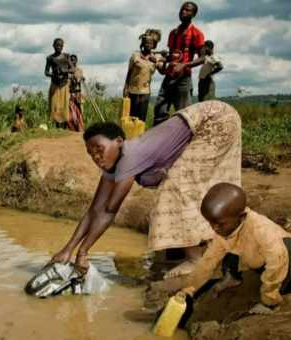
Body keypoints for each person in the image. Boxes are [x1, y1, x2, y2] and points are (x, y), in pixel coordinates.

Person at [48, 100, 241, 278]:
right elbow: (95, 210)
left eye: (99, 149)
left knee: (174, 188)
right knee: (192, 185)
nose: (97, 157)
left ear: (119, 142)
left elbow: (109, 210)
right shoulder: (113, 164)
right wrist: (68, 249)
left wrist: (83, 251)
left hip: (215, 120)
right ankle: (203, 248)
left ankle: (195, 259)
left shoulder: (129, 156)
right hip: (208, 119)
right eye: (91, 154)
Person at [179, 183, 291, 315]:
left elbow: (277, 265)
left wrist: (268, 299)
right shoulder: (227, 227)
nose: (214, 228)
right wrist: (188, 289)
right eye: (211, 223)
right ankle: (233, 277)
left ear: (241, 217)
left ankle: (277, 298)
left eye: (220, 224)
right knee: (225, 244)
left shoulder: (263, 232)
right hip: (259, 258)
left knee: (289, 250)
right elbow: (208, 261)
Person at [153, 1, 206, 126]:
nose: (183, 12)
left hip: (183, 79)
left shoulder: (196, 33)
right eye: (182, 9)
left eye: (188, 10)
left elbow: (203, 58)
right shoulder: (173, 33)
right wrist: (161, 63)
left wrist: (184, 65)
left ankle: (186, 143)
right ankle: (158, 142)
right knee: (160, 111)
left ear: (194, 14)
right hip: (169, 77)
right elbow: (172, 56)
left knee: (184, 115)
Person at [123, 29, 165, 122]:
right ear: (142, 44)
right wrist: (125, 87)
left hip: (145, 92)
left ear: (153, 45)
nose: (148, 45)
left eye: (150, 43)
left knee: (141, 119)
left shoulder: (155, 58)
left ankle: (141, 135)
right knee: (130, 118)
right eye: (146, 43)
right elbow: (129, 72)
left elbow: (163, 71)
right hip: (132, 91)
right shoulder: (135, 56)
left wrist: (165, 59)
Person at [45, 38, 73, 129]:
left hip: (64, 84)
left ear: (63, 46)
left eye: (61, 45)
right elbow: (46, 72)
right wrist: (53, 75)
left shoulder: (66, 56)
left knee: (64, 105)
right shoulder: (50, 58)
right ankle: (57, 127)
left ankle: (64, 127)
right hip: (55, 84)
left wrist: (65, 70)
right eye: (57, 45)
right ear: (53, 46)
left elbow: (72, 69)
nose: (59, 47)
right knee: (55, 105)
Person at [68, 54, 85, 132]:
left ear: (76, 61)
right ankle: (71, 128)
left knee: (80, 110)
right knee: (70, 112)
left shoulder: (79, 70)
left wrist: (80, 78)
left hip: (78, 93)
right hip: (70, 93)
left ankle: (80, 128)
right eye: (71, 60)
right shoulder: (67, 71)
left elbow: (78, 80)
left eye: (74, 60)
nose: (72, 61)